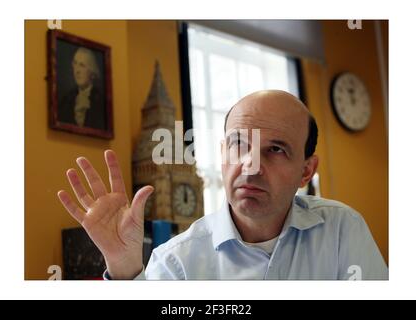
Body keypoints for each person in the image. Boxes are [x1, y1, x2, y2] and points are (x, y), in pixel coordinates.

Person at [57, 90, 388, 280]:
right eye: (239, 144)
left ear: (306, 171)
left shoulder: (343, 230)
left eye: (275, 149)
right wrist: (124, 267)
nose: (250, 166)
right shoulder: (176, 262)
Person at [58, 47, 106, 130]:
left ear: (92, 72)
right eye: (75, 64)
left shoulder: (101, 101)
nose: (77, 70)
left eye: (82, 65)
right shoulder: (66, 100)